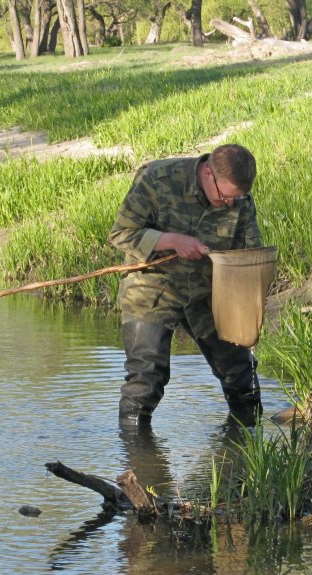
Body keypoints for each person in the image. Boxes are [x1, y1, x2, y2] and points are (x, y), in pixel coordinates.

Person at [108, 144, 263, 427]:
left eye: (237, 198)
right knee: (147, 377)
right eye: (226, 197)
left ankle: (245, 450)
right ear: (207, 174)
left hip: (208, 292)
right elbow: (121, 234)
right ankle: (138, 461)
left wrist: (248, 306)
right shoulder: (159, 179)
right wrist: (170, 241)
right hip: (153, 287)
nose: (231, 203)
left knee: (242, 374)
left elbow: (250, 254)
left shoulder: (240, 200)